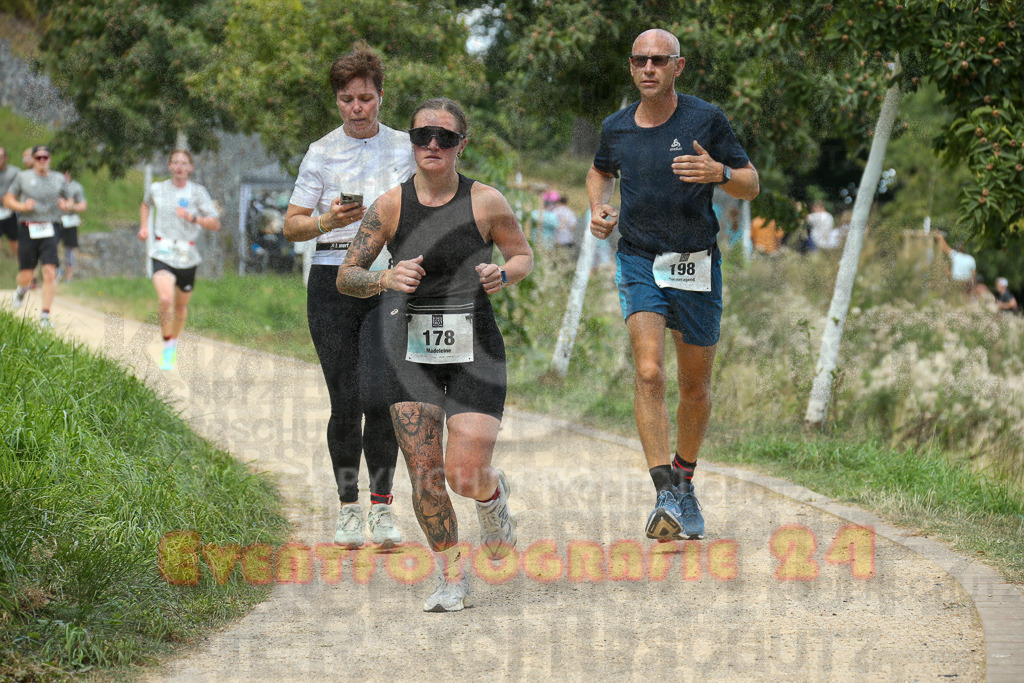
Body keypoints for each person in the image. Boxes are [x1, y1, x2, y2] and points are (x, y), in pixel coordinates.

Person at [337, 97, 533, 612]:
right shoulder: (390, 206)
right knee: (425, 473)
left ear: (461, 145)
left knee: (463, 473)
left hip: (475, 349)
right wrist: (385, 276)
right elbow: (346, 276)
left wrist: (503, 273)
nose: (432, 144)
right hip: (409, 350)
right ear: (410, 141)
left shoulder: (486, 202)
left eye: (444, 137)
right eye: (422, 135)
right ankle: (452, 578)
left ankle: (491, 495)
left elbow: (522, 255)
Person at [588, 28, 759, 541]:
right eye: (639, 59)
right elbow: (599, 173)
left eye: (659, 60)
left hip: (696, 264)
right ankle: (664, 490)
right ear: (631, 65)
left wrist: (718, 172)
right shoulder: (616, 127)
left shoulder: (705, 119)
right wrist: (598, 207)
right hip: (639, 258)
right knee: (648, 371)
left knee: (695, 387)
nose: (648, 68)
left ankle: (685, 481)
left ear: (677, 67)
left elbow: (750, 184)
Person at [283, 42, 414, 550]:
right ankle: (347, 508)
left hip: (386, 277)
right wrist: (327, 220)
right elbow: (292, 225)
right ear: (336, 100)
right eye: (346, 99)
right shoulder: (320, 151)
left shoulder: (405, 146)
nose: (356, 108)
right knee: (345, 399)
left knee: (382, 395)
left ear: (381, 96)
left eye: (365, 98)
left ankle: (382, 508)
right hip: (333, 276)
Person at [136, 149, 221, 370]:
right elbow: (145, 204)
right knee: (166, 299)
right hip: (162, 250)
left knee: (181, 307)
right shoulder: (157, 188)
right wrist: (144, 227)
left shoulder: (198, 192)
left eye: (184, 163)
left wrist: (191, 217)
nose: (180, 166)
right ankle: (167, 344)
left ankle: (173, 342)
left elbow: (215, 223)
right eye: (175, 162)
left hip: (187, 254)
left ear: (191, 168)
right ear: (169, 166)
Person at [3, 145, 71, 327]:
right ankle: (22, 289)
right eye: (38, 157)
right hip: (28, 228)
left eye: (45, 157)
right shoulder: (23, 177)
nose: (42, 160)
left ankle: (44, 317)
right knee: (26, 274)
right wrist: (22, 206)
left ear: (49, 159)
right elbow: (8, 200)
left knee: (49, 272)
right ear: (32, 160)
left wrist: (65, 205)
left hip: (50, 227)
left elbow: (68, 199)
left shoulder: (58, 179)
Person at [58, 169, 87, 281]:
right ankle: (55, 271)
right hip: (55, 220)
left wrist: (71, 206)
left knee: (69, 249)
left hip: (70, 221)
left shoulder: (76, 187)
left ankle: (69, 275)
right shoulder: (51, 186)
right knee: (52, 247)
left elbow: (83, 206)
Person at [0, 147, 21, 260]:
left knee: (15, 243)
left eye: (0, 157)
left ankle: (25, 267)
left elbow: (23, 188)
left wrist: (11, 198)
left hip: (10, 212)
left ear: (5, 157)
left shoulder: (15, 172)